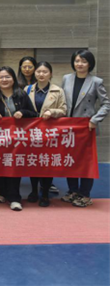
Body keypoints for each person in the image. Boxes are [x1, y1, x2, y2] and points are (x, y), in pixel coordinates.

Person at [61, 50, 110, 207]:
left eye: (83, 61)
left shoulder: (96, 81)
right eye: (77, 61)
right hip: (69, 128)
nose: (80, 64)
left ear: (90, 64)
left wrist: (95, 119)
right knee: (70, 159)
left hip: (86, 128)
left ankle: (85, 194)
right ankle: (73, 190)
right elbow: (62, 101)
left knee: (85, 161)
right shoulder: (66, 78)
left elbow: (106, 104)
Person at [0, 66, 38, 211]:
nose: (4, 80)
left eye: (7, 77)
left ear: (13, 79)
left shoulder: (21, 95)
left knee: (14, 166)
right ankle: (1, 192)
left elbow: (34, 114)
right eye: (1, 77)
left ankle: (15, 198)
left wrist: (23, 112)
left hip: (17, 139)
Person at [24, 61, 67, 207]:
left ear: (51, 74)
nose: (41, 74)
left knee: (47, 162)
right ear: (34, 73)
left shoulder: (58, 91)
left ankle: (45, 194)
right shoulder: (27, 89)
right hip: (32, 132)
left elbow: (63, 110)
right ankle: (33, 191)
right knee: (33, 162)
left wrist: (52, 112)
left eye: (45, 72)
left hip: (49, 133)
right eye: (38, 71)